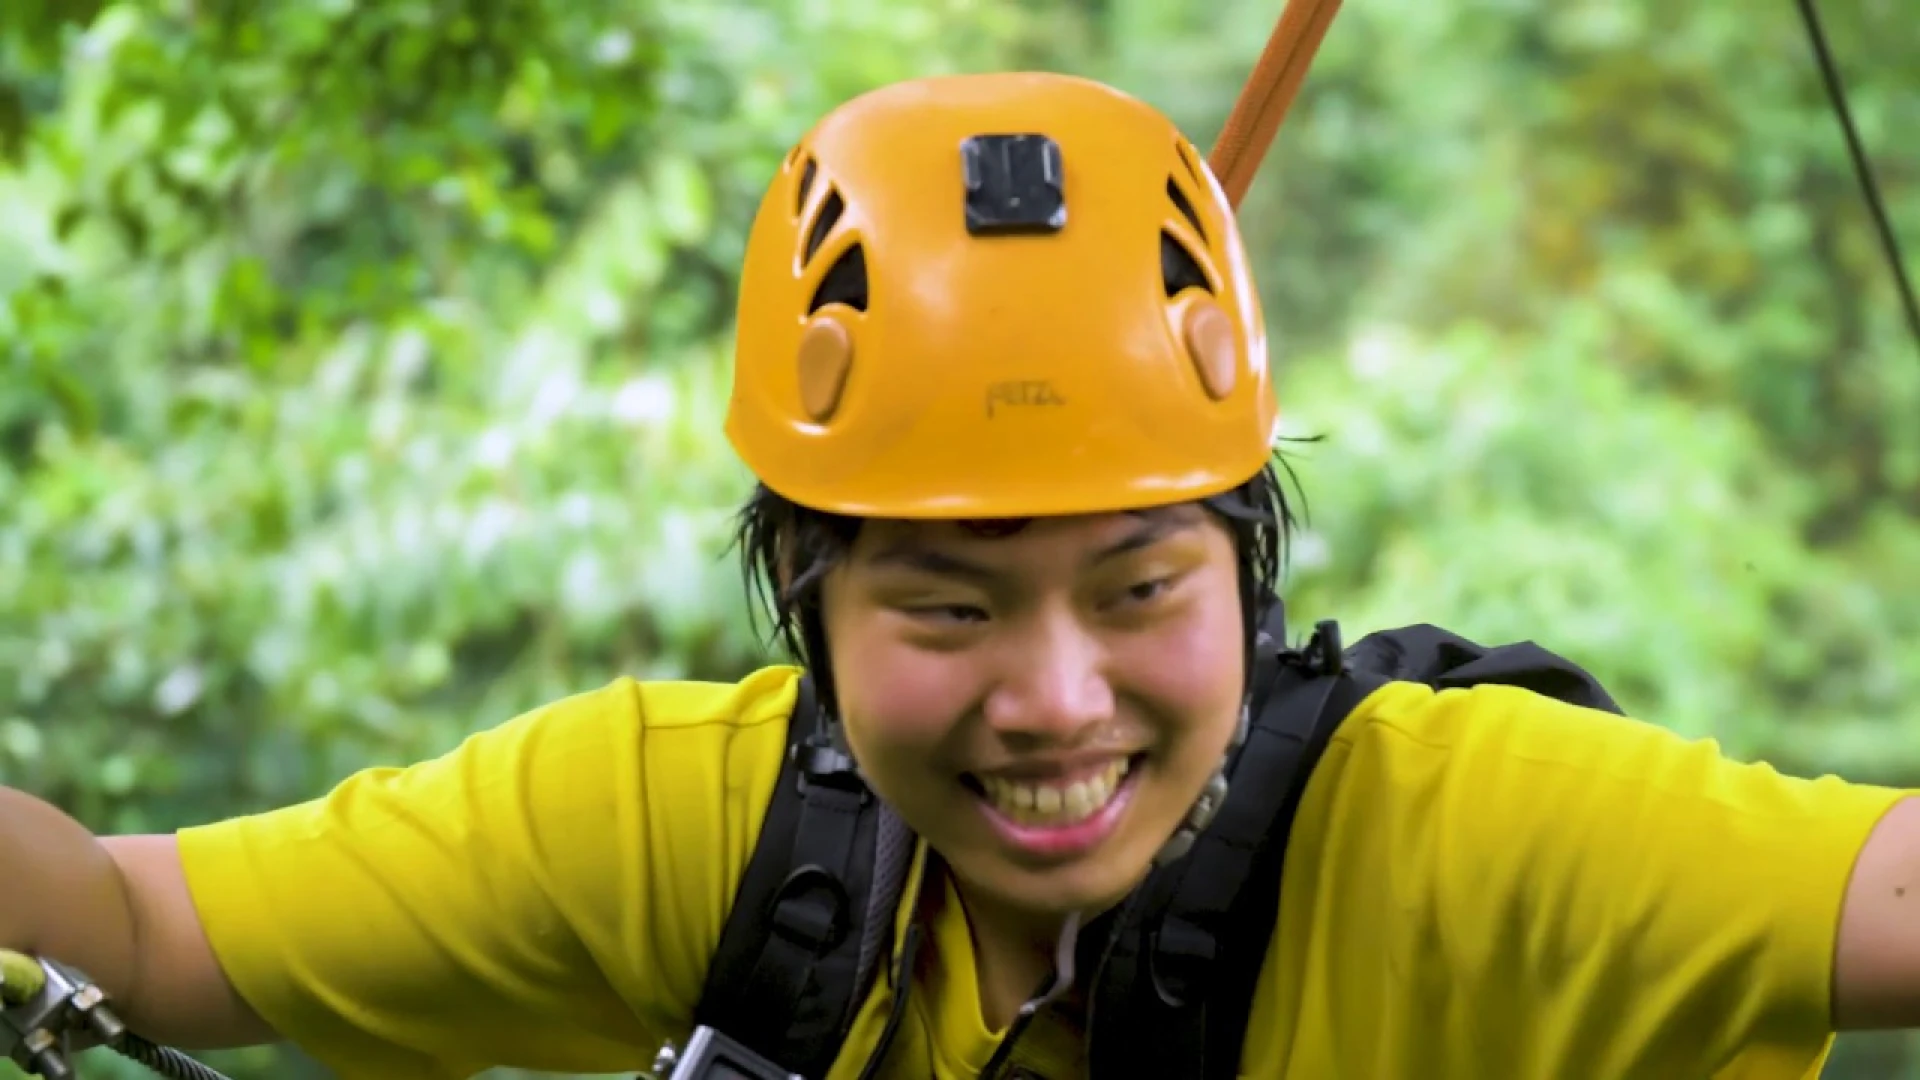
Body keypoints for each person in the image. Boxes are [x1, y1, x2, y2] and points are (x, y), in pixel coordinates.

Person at [5, 70, 1920, 1080]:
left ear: (1244, 570)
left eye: (1139, 586)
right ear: (809, 604)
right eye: (947, 605)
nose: (1059, 700)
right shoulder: (701, 825)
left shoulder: (1450, 833)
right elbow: (127, 932)